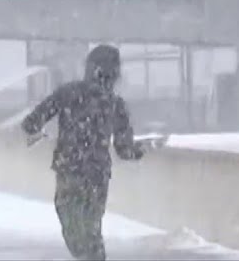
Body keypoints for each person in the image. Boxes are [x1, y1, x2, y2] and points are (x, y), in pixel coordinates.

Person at [20, 44, 146, 261]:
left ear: (90, 67)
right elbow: (124, 150)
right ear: (115, 73)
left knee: (73, 228)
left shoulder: (68, 93)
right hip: (97, 176)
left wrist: (36, 131)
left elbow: (32, 122)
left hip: (69, 170)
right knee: (91, 229)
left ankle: (89, 256)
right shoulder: (116, 105)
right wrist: (139, 151)